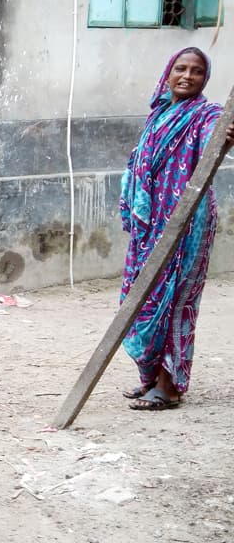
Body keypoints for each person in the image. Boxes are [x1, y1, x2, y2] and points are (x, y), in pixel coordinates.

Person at [119, 46, 234, 410]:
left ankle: (169, 387)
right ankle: (151, 377)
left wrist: (225, 138)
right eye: (180, 69)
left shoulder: (207, 115)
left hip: (186, 221)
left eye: (197, 71)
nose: (187, 76)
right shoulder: (159, 113)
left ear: (205, 79)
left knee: (175, 298)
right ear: (168, 73)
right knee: (143, 296)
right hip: (151, 224)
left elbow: (212, 144)